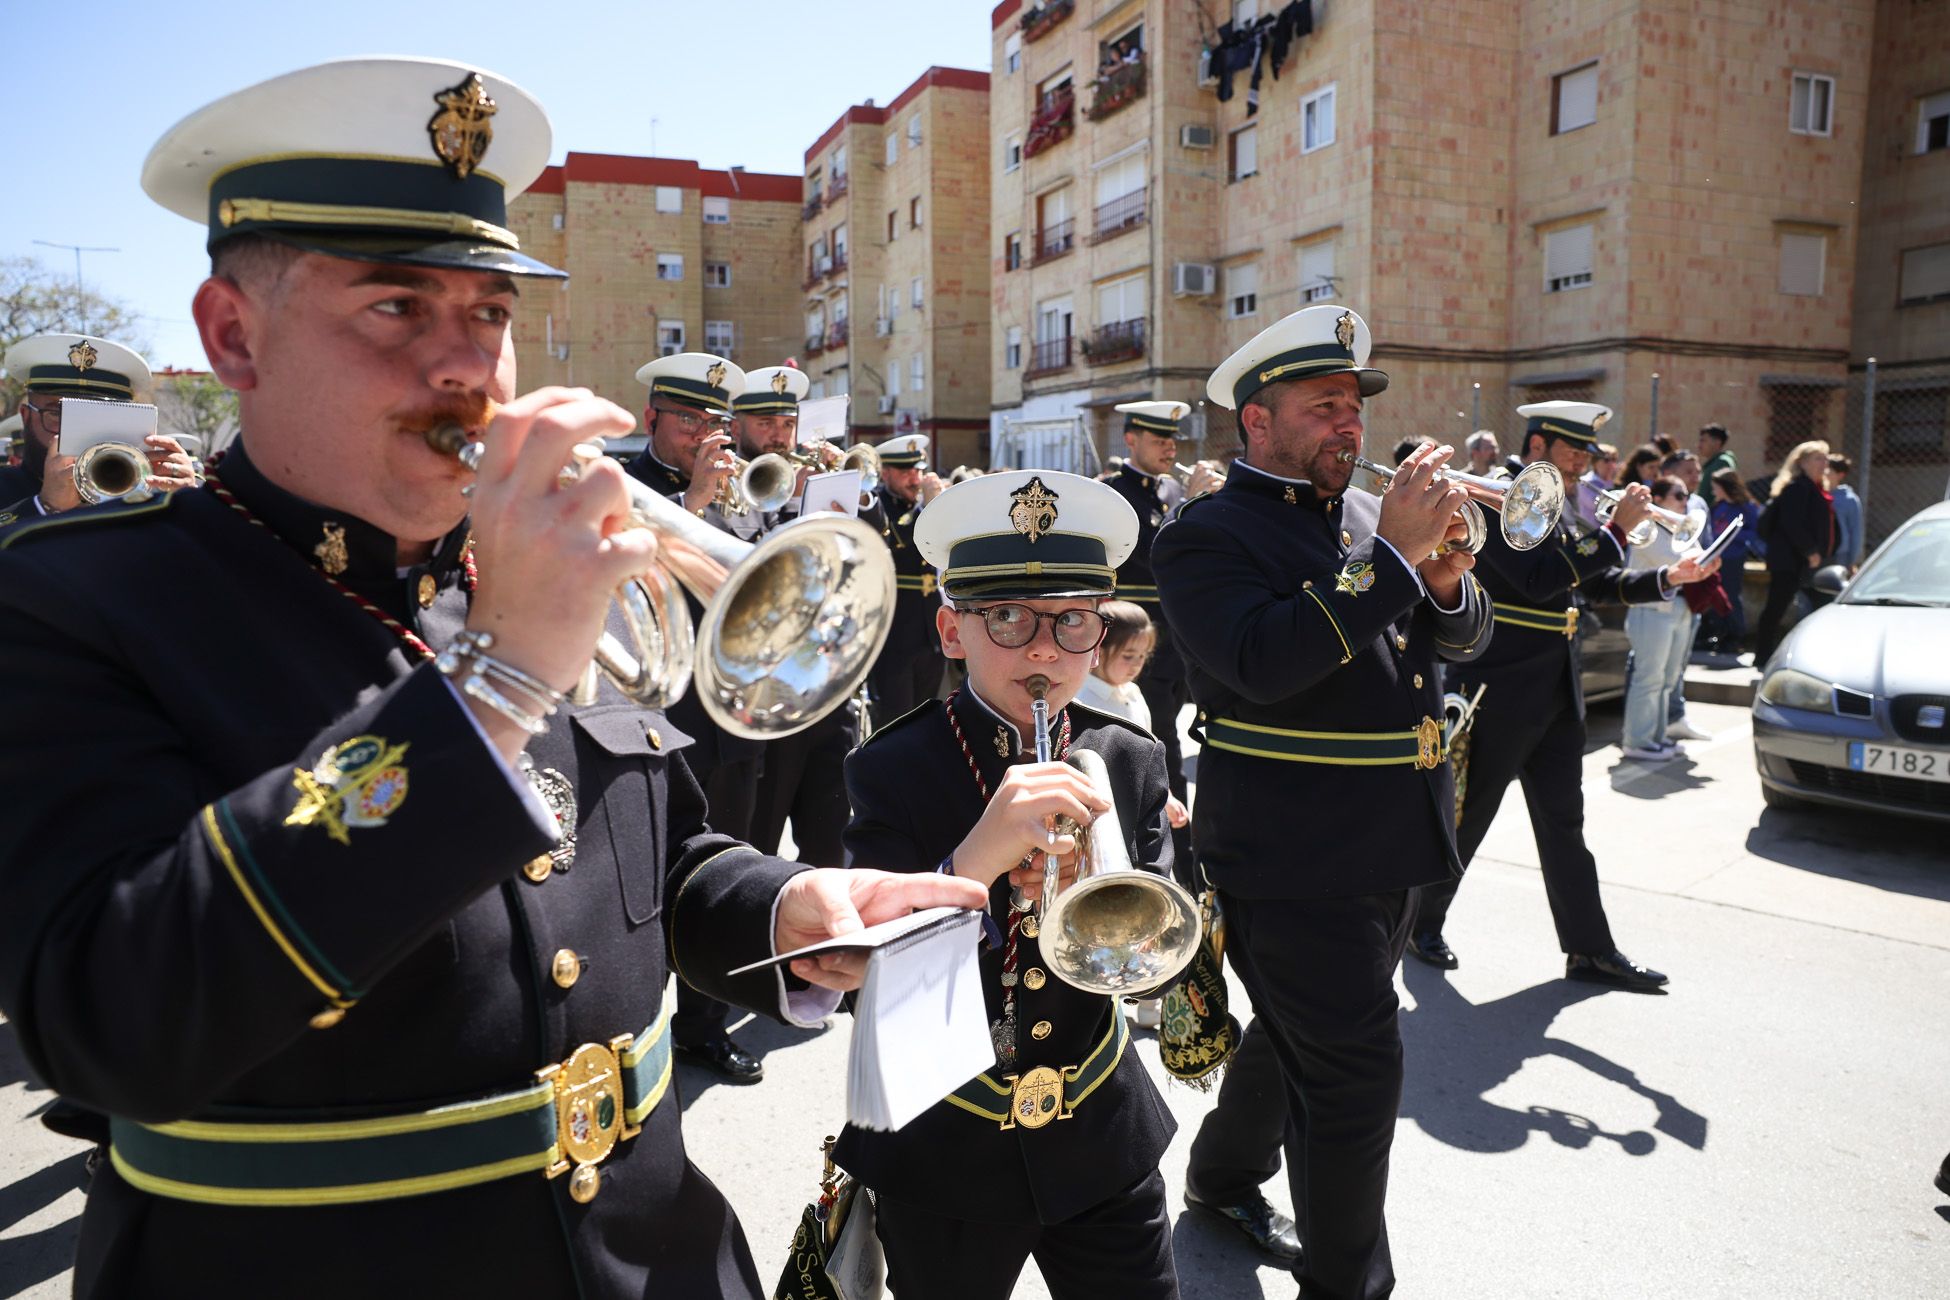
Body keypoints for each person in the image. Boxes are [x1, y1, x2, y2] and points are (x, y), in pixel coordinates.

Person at [0, 59, 989, 1298]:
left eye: (489, 314)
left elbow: (651, 858)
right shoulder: (76, 598)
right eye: (396, 310)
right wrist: (498, 670)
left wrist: (784, 913)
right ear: (231, 337)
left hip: (655, 1254)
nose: (463, 365)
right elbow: (106, 1020)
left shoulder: (548, 566)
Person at [1153, 305, 1495, 1299]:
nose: (1351, 425)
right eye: (1326, 407)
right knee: (1353, 1080)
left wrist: (1441, 583)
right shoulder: (1206, 536)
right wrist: (1391, 561)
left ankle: (1219, 1179)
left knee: (1298, 1035)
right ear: (1258, 422)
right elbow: (1262, 663)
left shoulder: (1358, 523)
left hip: (1390, 845)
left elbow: (1456, 643)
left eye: (1356, 407)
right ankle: (1350, 1286)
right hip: (1292, 856)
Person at [837, 469, 1183, 1300]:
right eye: (1007, 618)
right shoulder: (892, 767)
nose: (1041, 649)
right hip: (947, 1143)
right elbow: (856, 984)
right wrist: (974, 864)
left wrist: (1105, 899)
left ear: (1098, 635)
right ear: (952, 630)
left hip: (1101, 1128)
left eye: (1072, 622)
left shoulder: (1127, 755)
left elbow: (1159, 949)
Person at [1408, 401, 1721, 991]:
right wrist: (1615, 531)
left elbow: (1593, 583)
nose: (1581, 463)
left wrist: (1668, 579)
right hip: (1499, 687)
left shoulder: (1563, 508)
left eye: (1585, 452)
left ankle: (1589, 950)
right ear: (1536, 448)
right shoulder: (1495, 498)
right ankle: (1420, 924)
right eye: (1571, 451)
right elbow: (1538, 579)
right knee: (1468, 817)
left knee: (1565, 826)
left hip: (1556, 690)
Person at [627, 353, 770, 1082]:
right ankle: (633, 1026)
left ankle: (705, 1026)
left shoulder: (740, 491)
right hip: (653, 713)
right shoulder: (624, 487)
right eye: (689, 420)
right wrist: (695, 507)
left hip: (728, 711)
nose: (704, 435)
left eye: (714, 420)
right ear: (652, 420)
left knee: (725, 860)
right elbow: (633, 593)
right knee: (646, 875)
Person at [745, 367, 862, 873]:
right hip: (756, 695)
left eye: (787, 421)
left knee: (828, 843)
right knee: (756, 842)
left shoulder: (809, 480)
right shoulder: (727, 489)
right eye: (766, 420)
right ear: (736, 424)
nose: (780, 434)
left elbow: (861, 557)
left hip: (822, 689)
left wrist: (836, 495)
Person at [1101, 399, 1210, 876]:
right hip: (1134, 650)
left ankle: (1183, 865)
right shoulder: (1112, 495)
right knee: (1155, 751)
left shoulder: (1170, 492)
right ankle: (1168, 869)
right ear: (1131, 440)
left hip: (1181, 645)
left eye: (1173, 438)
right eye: (1158, 438)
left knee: (1175, 750)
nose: (1170, 447)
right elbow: (1150, 557)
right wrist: (1186, 505)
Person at [0, 333, 200, 517]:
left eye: (98, 414)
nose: (77, 428)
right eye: (57, 413)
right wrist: (44, 507)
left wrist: (184, 506)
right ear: (26, 417)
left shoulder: (148, 492)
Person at [866, 433, 948, 722]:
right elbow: (902, 538)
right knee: (895, 717)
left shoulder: (923, 505)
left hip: (930, 626)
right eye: (905, 473)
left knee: (927, 715)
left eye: (918, 471)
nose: (915, 479)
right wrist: (928, 508)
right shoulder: (876, 505)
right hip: (896, 630)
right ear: (885, 473)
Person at [1621, 476, 1703, 761]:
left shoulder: (1676, 528)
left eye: (1686, 495)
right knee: (1649, 677)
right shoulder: (1647, 527)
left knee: (1667, 678)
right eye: (1678, 495)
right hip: (1651, 611)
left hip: (1676, 608)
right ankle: (1637, 740)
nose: (1684, 501)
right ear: (1659, 499)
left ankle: (1656, 737)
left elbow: (1697, 559)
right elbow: (1671, 561)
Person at [1755, 440, 1834, 662]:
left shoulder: (1815, 489)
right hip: (1791, 561)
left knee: (1821, 606)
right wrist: (1810, 551)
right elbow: (1792, 523)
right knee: (1777, 606)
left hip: (1806, 561)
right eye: (1819, 458)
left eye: (1825, 458)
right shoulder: (1797, 488)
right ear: (1803, 463)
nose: (1825, 463)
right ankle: (1762, 655)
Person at [1658, 449, 1711, 740]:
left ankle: (1675, 717)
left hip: (1693, 593)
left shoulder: (1699, 502)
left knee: (1678, 663)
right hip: (1666, 593)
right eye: (1689, 471)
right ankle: (1653, 727)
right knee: (1655, 671)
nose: (1696, 477)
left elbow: (1706, 541)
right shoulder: (1661, 500)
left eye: (1698, 471)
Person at [1698, 469, 1762, 656]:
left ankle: (1735, 635)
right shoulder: (1718, 506)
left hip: (1733, 557)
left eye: (1716, 487)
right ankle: (1719, 633)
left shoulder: (1746, 507)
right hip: (1716, 557)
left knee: (1731, 596)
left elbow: (1754, 533)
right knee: (1715, 596)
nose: (1713, 491)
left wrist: (1731, 534)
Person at [1829, 453, 1863, 573]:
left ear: (1840, 474)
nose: (1824, 473)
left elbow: (1855, 531)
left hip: (1840, 555)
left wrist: (1852, 561)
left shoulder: (1849, 500)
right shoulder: (1816, 495)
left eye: (1829, 470)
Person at [1575, 441, 1619, 529]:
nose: (1611, 464)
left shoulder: (1615, 483)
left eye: (1614, 460)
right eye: (1606, 460)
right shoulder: (1585, 483)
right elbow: (1597, 505)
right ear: (1595, 463)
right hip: (1589, 532)